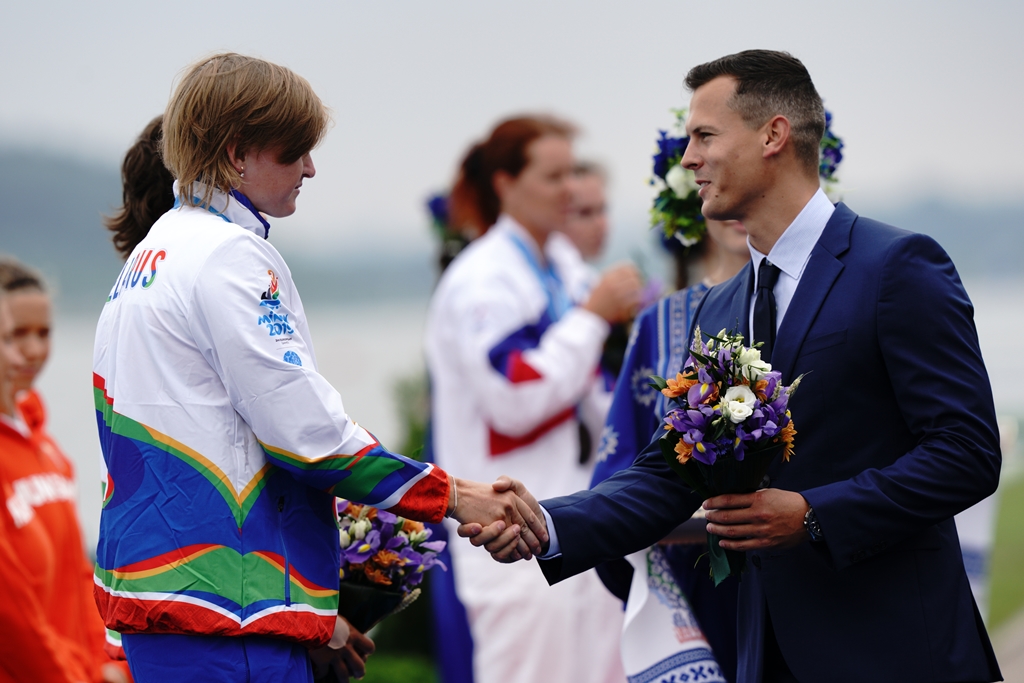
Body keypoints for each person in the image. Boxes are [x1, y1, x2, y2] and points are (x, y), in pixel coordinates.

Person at [464, 50, 1002, 683]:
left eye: (704, 136)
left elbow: (967, 452)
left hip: (895, 649)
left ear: (773, 135)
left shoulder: (897, 267)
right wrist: (544, 523)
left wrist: (814, 514)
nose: (688, 159)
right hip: (764, 653)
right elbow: (668, 473)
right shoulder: (717, 308)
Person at [93, 54, 544, 683]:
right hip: (228, 605)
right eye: (295, 150)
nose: (310, 168)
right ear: (235, 154)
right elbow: (307, 436)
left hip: (164, 593)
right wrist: (452, 496)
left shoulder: (154, 251)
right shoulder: (230, 256)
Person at [425, 115, 641, 683]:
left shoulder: (565, 269)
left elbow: (599, 394)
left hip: (578, 520)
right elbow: (513, 399)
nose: (570, 189)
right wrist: (593, 319)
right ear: (506, 184)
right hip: (507, 536)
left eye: (573, 173)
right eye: (554, 176)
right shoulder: (482, 280)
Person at [590, 218, 749, 681]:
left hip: (802, 560)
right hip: (693, 576)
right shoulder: (659, 321)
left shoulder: (814, 304)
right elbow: (622, 458)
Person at [0, 260, 133, 683]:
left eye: (43, 333)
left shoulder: (48, 450)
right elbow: (13, 621)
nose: (32, 350)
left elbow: (76, 578)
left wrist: (107, 663)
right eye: (15, 335)